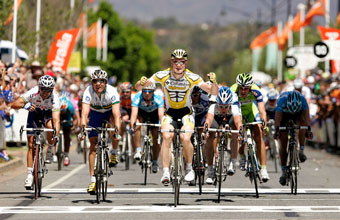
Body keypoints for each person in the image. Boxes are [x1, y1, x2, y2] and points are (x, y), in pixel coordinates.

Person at [135, 49, 219, 185]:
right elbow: (139, 87)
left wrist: (214, 82)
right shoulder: (162, 75)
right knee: (166, 136)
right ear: (171, 62)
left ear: (186, 63)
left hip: (186, 114)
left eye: (182, 62)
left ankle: (190, 168)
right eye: (175, 62)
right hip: (170, 113)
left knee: (185, 137)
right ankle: (166, 172)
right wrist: (141, 82)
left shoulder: (193, 77)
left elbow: (213, 92)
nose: (178, 65)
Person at [10, 75, 60, 189]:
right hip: (34, 113)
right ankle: (29, 175)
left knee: (51, 127)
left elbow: (57, 119)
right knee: (31, 145)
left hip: (47, 114)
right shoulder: (33, 92)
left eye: (48, 90)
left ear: (52, 90)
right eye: (43, 89)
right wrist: (25, 105)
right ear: (39, 87)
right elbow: (13, 104)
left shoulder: (55, 98)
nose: (45, 92)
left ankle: (50, 148)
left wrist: (55, 134)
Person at [79, 69, 120, 194]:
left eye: (101, 81)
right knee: (93, 144)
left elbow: (116, 114)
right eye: (95, 81)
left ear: (106, 82)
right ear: (92, 82)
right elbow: (85, 113)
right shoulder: (88, 92)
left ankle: (114, 152)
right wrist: (82, 129)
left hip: (109, 113)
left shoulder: (112, 91)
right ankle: (92, 180)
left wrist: (117, 128)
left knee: (113, 125)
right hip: (95, 114)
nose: (98, 84)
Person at [230, 72, 269, 182]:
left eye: (246, 89)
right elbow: (232, 111)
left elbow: (262, 111)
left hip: (252, 111)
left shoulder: (256, 91)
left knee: (259, 136)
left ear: (250, 87)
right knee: (239, 134)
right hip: (238, 111)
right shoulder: (233, 91)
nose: (243, 91)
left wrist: (264, 124)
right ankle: (241, 155)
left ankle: (264, 169)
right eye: (241, 88)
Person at [203, 86, 243, 184]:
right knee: (210, 136)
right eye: (221, 106)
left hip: (230, 119)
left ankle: (233, 163)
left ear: (230, 104)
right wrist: (205, 131)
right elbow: (208, 121)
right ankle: (210, 171)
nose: (223, 109)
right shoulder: (213, 107)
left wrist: (240, 134)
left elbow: (238, 123)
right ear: (217, 103)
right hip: (216, 119)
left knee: (235, 133)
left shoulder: (234, 108)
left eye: (226, 106)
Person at [274, 91, 313, 186]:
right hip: (284, 116)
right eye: (291, 110)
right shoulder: (281, 101)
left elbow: (307, 118)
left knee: (303, 125)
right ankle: (283, 172)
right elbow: (278, 119)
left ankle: (301, 150)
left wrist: (308, 130)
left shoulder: (303, 101)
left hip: (298, 116)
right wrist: (277, 131)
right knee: (282, 142)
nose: (292, 112)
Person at [129, 83, 164, 173]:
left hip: (154, 115)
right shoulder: (137, 97)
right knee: (136, 125)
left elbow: (161, 115)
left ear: (153, 91)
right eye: (145, 91)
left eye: (149, 91)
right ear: (142, 91)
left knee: (156, 137)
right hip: (142, 114)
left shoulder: (158, 98)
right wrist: (132, 126)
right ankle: (138, 150)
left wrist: (162, 127)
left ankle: (155, 162)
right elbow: (133, 114)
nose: (147, 93)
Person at [118, 82, 136, 161]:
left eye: (127, 92)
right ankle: (121, 143)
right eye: (123, 92)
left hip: (132, 110)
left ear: (131, 91)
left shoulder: (134, 96)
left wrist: (132, 118)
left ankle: (135, 151)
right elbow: (117, 109)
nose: (125, 93)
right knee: (121, 126)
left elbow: (136, 109)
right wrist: (122, 115)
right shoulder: (119, 96)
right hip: (123, 110)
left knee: (133, 132)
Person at [59, 95, 78, 166]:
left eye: (63, 111)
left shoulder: (70, 106)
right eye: (62, 111)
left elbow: (75, 118)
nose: (62, 112)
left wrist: (73, 125)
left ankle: (66, 155)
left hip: (68, 117)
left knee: (67, 136)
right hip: (57, 115)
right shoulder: (56, 105)